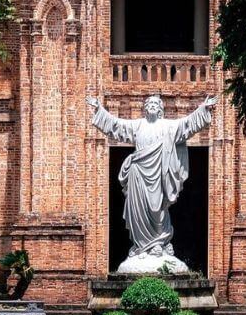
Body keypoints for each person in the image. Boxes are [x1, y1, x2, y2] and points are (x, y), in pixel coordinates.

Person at [86, 93, 217, 272]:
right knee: (136, 211)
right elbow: (117, 126)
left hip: (158, 176)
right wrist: (99, 110)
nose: (153, 106)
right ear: (145, 108)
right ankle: (141, 246)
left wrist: (203, 108)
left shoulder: (168, 126)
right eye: (150, 103)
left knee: (158, 211)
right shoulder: (138, 125)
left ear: (161, 109)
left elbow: (187, 124)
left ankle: (158, 243)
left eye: (156, 104)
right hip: (138, 174)